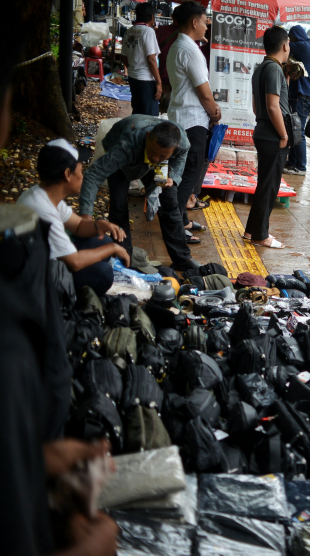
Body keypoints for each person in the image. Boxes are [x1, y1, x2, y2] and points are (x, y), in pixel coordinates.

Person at [0, 17, 120, 556]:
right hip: (58, 281)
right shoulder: (26, 223)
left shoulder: (39, 204)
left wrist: (104, 228)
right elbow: (72, 262)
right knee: (99, 270)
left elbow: (76, 226)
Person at [79, 115, 201, 271]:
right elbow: (93, 174)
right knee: (119, 205)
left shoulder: (182, 143)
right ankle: (124, 256)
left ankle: (182, 258)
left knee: (170, 202)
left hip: (158, 161)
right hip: (125, 150)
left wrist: (173, 176)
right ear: (148, 137)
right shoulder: (125, 146)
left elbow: (180, 156)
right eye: (153, 153)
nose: (155, 158)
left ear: (175, 147)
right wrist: (86, 217)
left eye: (162, 155)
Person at [18, 139, 130, 295]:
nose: (82, 176)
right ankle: (65, 300)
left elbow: (78, 226)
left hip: (46, 260)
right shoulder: (42, 210)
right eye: (80, 171)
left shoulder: (44, 194)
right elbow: (75, 262)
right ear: (67, 174)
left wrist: (99, 225)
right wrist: (112, 249)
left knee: (103, 240)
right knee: (103, 273)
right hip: (36, 277)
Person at [166, 1, 220, 243]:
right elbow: (205, 94)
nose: (208, 24)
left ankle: (182, 220)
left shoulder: (180, 45)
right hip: (193, 121)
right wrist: (215, 113)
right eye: (205, 20)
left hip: (180, 116)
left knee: (181, 173)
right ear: (194, 22)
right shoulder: (190, 51)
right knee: (188, 175)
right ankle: (176, 228)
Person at [243, 25, 291, 249]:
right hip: (272, 136)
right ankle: (260, 235)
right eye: (289, 43)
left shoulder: (262, 67)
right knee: (270, 186)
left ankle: (251, 229)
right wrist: (283, 134)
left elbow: (256, 106)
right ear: (284, 45)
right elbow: (273, 107)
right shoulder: (274, 69)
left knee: (265, 184)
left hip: (263, 131)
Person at [284, 25, 310, 177]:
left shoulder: (302, 46)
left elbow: (282, 45)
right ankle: (292, 162)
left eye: (290, 37)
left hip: (303, 96)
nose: (289, 41)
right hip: (307, 95)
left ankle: (300, 166)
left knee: (298, 131)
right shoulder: (309, 46)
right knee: (295, 129)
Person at [121, 2, 162, 116]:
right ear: (151, 17)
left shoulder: (129, 31)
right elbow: (151, 59)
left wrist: (132, 68)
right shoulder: (148, 31)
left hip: (133, 77)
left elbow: (123, 56)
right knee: (149, 116)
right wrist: (159, 83)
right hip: (146, 80)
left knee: (138, 111)